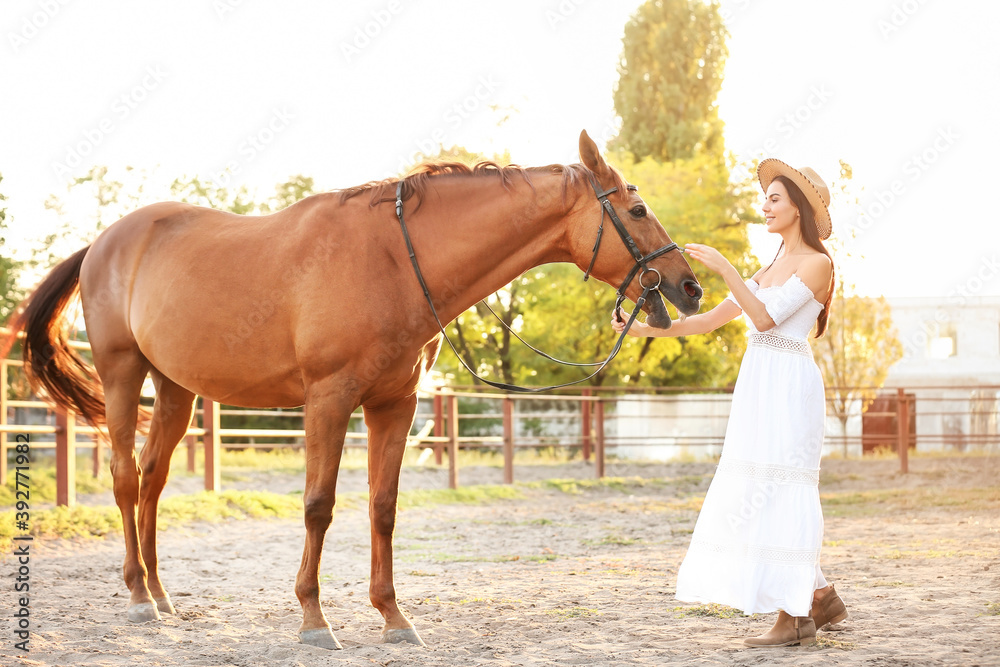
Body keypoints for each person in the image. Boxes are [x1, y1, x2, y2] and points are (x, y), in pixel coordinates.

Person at [612, 159, 848, 647]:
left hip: (788, 381)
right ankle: (815, 597)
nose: (765, 206)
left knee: (782, 487)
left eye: (775, 199)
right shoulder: (771, 266)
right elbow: (711, 320)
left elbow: (764, 319)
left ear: (799, 209)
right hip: (759, 381)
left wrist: (724, 267)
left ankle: (795, 613)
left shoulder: (817, 264)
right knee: (758, 484)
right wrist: (642, 328)